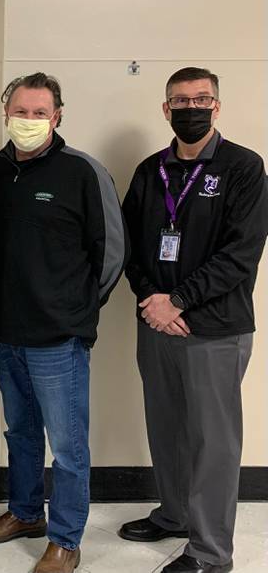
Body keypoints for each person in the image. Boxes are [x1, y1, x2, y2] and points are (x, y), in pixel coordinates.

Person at [0, 73, 127, 573]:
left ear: (57, 116)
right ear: (6, 114)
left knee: (68, 443)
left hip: (59, 336)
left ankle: (65, 539)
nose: (29, 121)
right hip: (5, 328)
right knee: (19, 431)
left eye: (40, 112)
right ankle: (23, 512)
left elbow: (112, 252)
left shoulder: (83, 171)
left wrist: (78, 310)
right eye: (21, 111)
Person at [119, 67, 268, 573]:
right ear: (165, 109)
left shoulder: (243, 168)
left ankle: (210, 553)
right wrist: (151, 300)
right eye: (180, 101)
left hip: (215, 329)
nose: (190, 108)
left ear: (217, 106)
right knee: (166, 427)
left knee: (213, 441)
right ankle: (176, 513)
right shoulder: (149, 171)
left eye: (201, 99)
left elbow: (240, 256)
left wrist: (177, 300)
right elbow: (128, 246)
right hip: (156, 323)